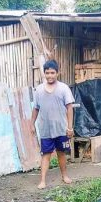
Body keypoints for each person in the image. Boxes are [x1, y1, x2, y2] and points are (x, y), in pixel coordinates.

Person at [31, 60, 75, 189]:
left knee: (61, 152)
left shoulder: (63, 88)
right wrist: (31, 124)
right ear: (44, 74)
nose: (50, 75)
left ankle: (64, 175)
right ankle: (43, 180)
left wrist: (70, 127)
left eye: (52, 73)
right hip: (45, 129)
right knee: (46, 154)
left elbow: (69, 108)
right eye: (47, 73)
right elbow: (36, 108)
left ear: (57, 73)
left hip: (61, 129)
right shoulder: (39, 90)